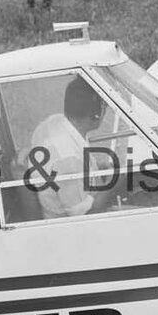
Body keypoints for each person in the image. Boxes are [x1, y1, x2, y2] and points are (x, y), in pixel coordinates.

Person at [28, 75, 105, 218]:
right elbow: (83, 214)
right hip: (74, 226)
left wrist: (97, 169)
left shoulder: (53, 122)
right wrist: (117, 183)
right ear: (96, 114)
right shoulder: (68, 158)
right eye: (104, 106)